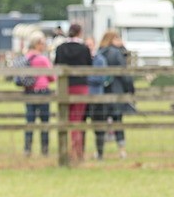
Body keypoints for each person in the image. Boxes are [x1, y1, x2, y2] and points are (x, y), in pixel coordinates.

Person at [53, 23, 93, 161]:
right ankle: (76, 152)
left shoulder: (60, 48)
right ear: (80, 33)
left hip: (64, 87)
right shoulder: (84, 49)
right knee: (77, 120)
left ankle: (68, 150)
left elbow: (56, 64)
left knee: (65, 119)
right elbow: (89, 66)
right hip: (81, 87)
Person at [92, 30, 131, 160]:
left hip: (101, 92)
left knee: (101, 121)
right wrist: (129, 90)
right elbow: (124, 73)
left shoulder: (98, 52)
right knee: (118, 121)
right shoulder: (117, 53)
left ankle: (100, 151)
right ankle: (121, 150)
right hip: (116, 90)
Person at [20, 32, 54, 156]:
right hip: (43, 91)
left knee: (30, 121)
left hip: (29, 92)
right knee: (44, 121)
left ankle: (27, 149)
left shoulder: (25, 58)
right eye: (43, 43)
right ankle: (44, 150)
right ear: (37, 44)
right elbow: (52, 76)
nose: (44, 46)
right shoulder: (43, 59)